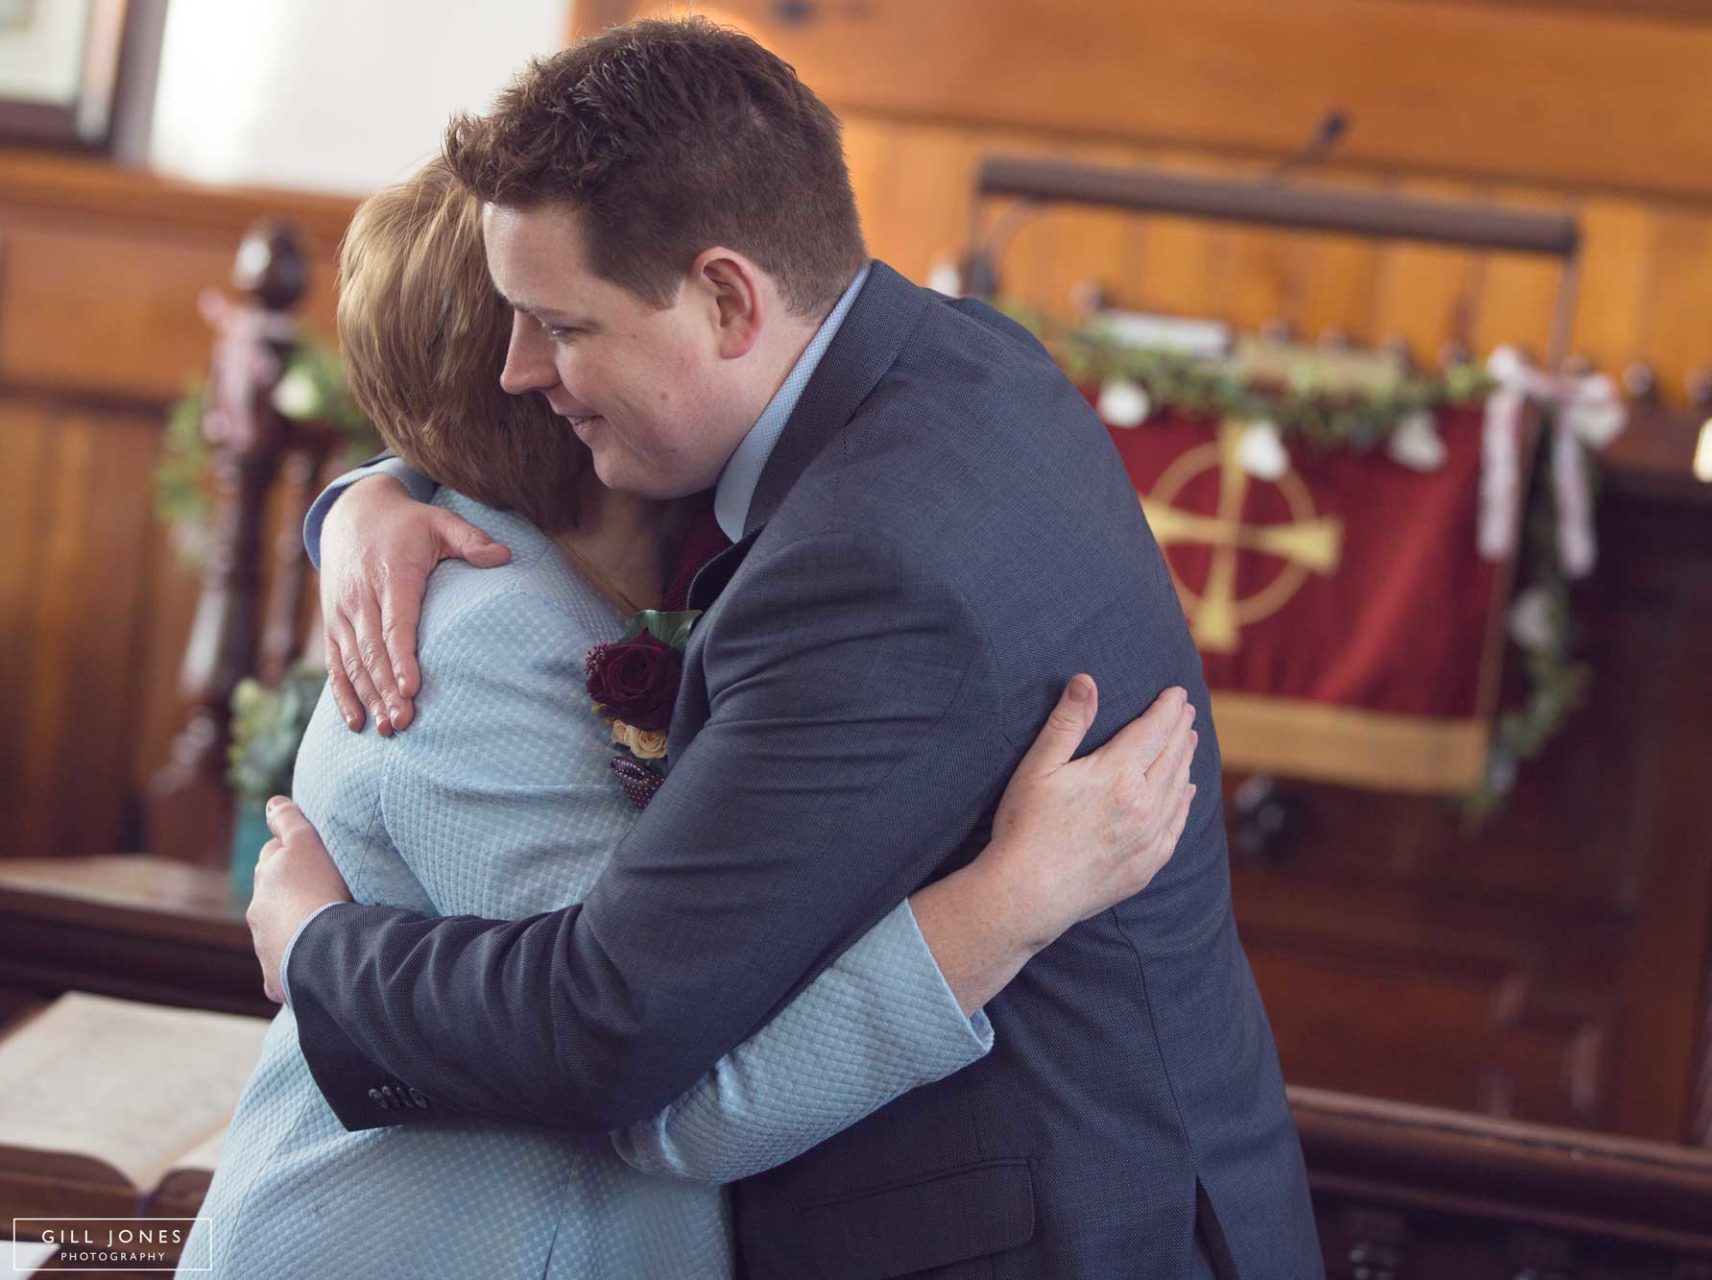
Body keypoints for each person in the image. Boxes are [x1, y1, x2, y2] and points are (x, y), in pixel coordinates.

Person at [249, 17, 1323, 1278]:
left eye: (560, 324)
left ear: (724, 295)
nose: (522, 364)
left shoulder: (865, 567)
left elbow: (612, 1028)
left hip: (1046, 1231)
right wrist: (376, 492)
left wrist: (318, 948)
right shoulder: (952, 359)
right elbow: (495, 411)